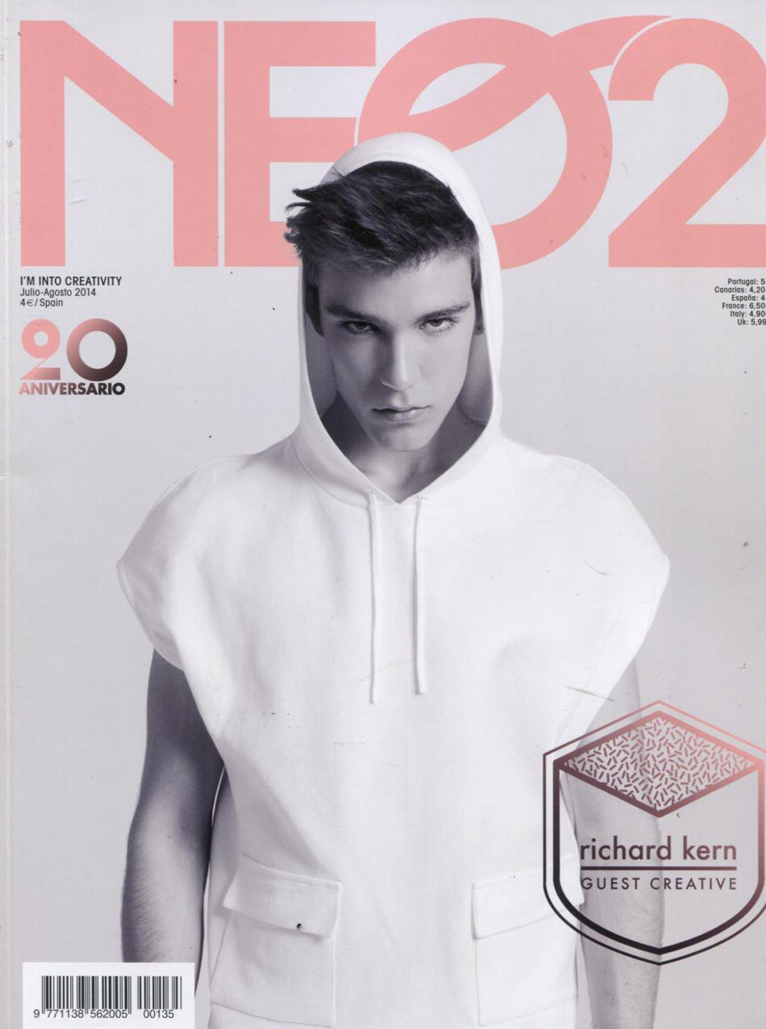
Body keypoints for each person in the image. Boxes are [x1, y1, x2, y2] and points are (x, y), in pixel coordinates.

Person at [118, 133, 669, 1029]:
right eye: (361, 326)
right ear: (313, 318)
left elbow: (620, 836)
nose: (399, 376)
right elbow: (169, 825)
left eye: (435, 323)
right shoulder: (208, 528)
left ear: (482, 311)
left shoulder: (583, 527)